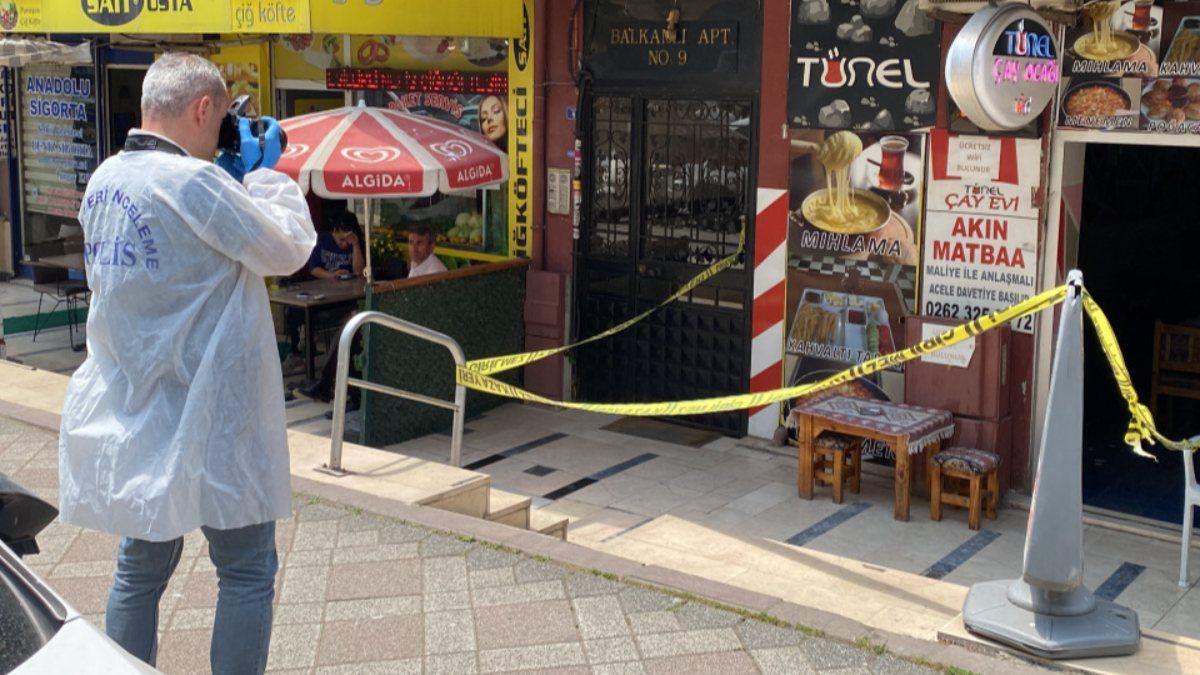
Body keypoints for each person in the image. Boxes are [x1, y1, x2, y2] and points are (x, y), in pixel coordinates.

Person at [58, 53, 315, 673]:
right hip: (218, 417)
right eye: (223, 119)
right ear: (204, 108)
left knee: (140, 568)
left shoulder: (105, 181)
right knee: (246, 569)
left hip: (140, 411)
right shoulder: (196, 185)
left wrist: (228, 176)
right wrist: (261, 175)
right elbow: (286, 248)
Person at [299, 223, 446, 403]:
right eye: (410, 242)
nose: (413, 249)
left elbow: (421, 310)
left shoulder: (434, 271)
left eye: (420, 243)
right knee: (353, 326)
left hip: (416, 330)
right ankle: (338, 389)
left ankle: (335, 388)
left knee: (355, 331)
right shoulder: (418, 264)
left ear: (432, 246)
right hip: (406, 321)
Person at [308, 210, 365, 280]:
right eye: (342, 240)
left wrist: (355, 244)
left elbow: (359, 272)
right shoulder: (322, 240)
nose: (345, 244)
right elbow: (313, 269)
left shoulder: (357, 243)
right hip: (325, 283)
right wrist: (331, 275)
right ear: (335, 231)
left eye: (348, 241)